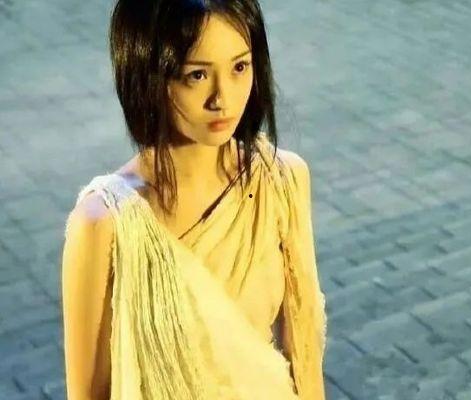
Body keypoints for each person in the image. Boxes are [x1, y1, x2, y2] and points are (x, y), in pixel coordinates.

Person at [61, 1, 327, 399]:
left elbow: (304, 354)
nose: (223, 98)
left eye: (240, 67)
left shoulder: (282, 180)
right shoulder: (104, 223)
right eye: (197, 75)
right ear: (148, 75)